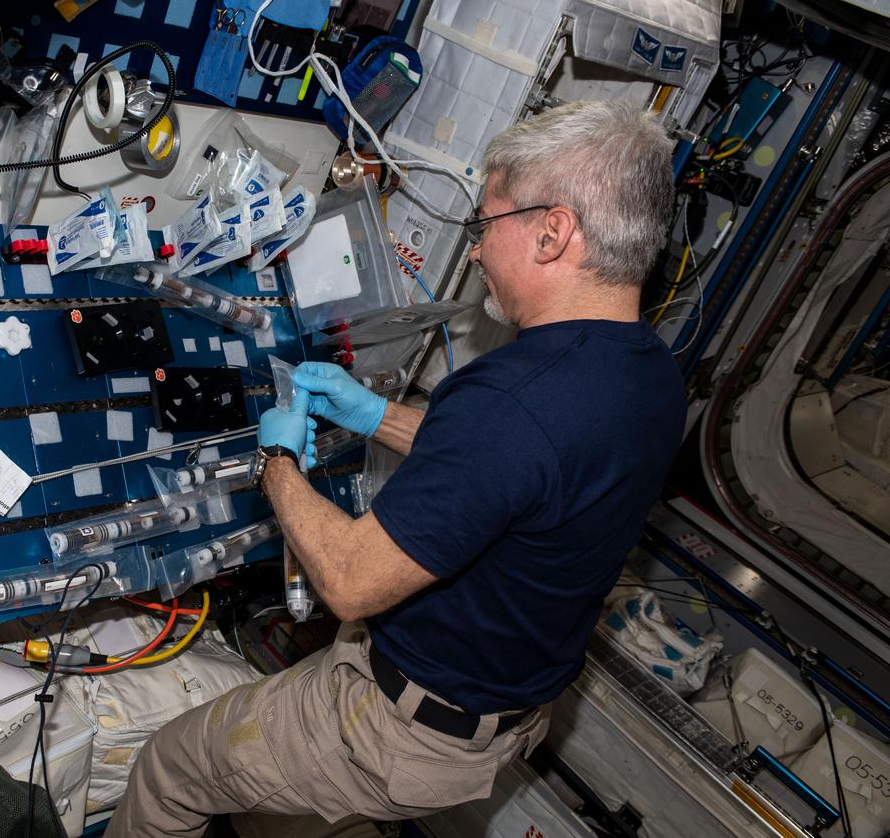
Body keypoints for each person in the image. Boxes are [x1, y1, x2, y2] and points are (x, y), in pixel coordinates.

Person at [106, 100, 687, 837]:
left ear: (553, 231)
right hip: (499, 709)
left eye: (486, 224)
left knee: (170, 766)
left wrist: (276, 459)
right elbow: (509, 478)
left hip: (400, 725)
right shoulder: (650, 374)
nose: (474, 251)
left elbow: (349, 581)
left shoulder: (511, 402)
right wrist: (374, 416)